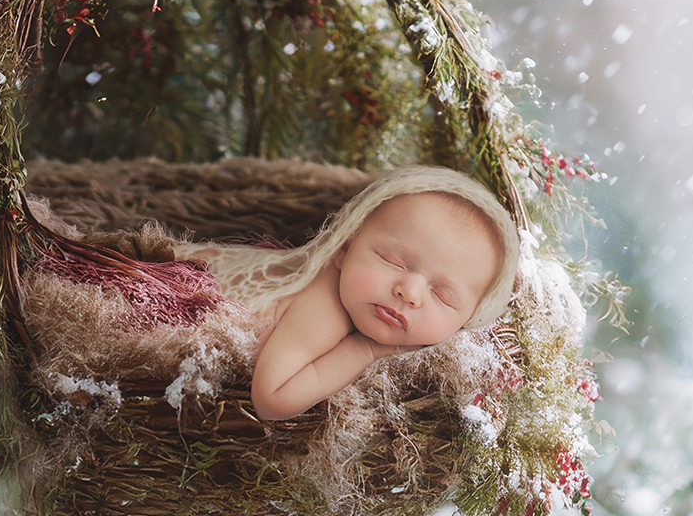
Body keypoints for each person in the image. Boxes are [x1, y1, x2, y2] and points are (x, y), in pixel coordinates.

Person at [169, 166, 521, 420]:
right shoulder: (323, 308)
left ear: (468, 319)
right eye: (393, 260)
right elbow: (271, 401)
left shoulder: (360, 298)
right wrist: (363, 349)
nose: (410, 292)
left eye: (443, 296)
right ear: (344, 247)